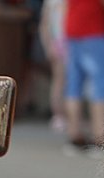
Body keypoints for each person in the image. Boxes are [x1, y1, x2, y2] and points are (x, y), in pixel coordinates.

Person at [63, 0, 104, 157]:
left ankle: (74, 136)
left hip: (73, 29)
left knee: (74, 86)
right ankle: (99, 138)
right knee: (102, 85)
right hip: (93, 30)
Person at [40, 0, 68, 133]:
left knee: (65, 82)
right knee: (60, 80)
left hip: (70, 40)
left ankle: (66, 116)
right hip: (60, 42)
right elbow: (45, 24)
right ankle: (58, 115)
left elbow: (44, 25)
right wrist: (48, 46)